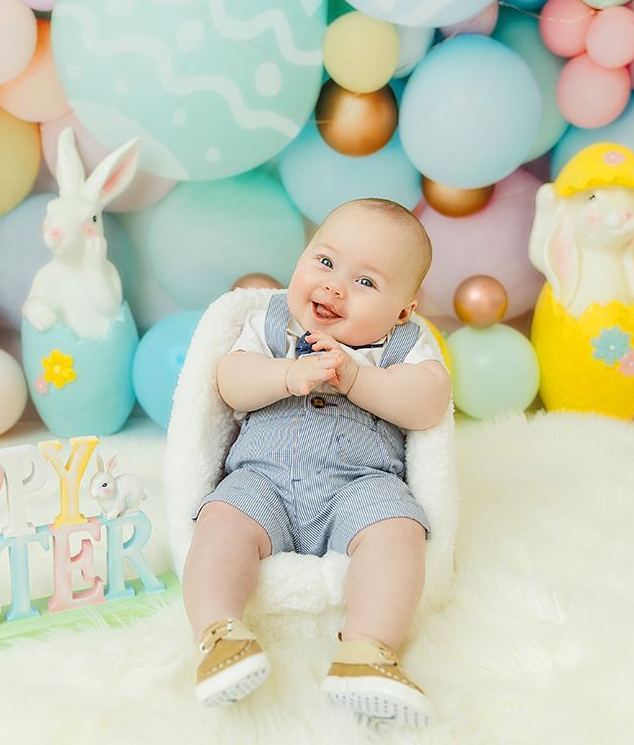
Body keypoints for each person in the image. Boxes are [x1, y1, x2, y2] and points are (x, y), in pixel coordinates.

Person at [183, 198, 452, 727]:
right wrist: (285, 376)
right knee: (220, 525)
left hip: (361, 486)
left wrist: (356, 378)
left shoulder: (401, 346)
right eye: (325, 263)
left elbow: (429, 402)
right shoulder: (271, 323)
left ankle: (367, 649)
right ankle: (219, 635)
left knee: (398, 533)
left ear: (403, 310)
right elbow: (229, 379)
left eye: (367, 282)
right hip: (263, 480)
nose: (333, 287)